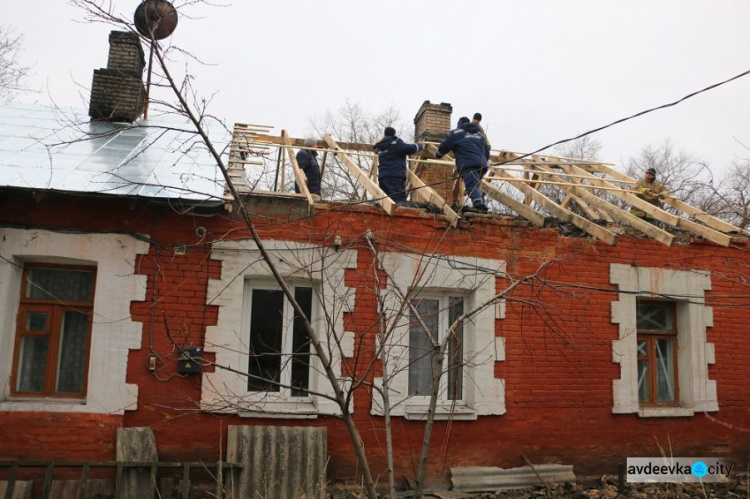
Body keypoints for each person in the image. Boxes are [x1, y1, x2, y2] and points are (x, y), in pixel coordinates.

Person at [436, 116, 491, 212]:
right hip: (482, 164)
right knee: (475, 185)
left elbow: (445, 144)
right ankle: (480, 202)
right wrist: (483, 162)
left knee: (471, 186)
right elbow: (487, 151)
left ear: (459, 124)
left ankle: (480, 206)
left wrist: (438, 154)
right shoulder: (479, 135)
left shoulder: (457, 133)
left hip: (468, 164)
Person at [373, 126, 423, 203]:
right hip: (395, 178)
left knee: (385, 203)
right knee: (399, 202)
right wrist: (419, 145)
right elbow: (410, 149)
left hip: (383, 178)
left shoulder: (380, 146)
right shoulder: (396, 143)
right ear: (394, 134)